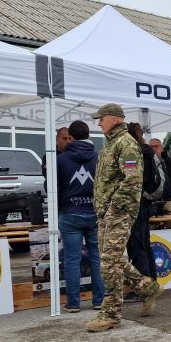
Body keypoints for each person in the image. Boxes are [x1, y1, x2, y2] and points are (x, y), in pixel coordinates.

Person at [86, 104, 163, 332]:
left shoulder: (126, 144)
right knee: (111, 259)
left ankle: (110, 314)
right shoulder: (112, 144)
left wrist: (113, 208)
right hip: (107, 212)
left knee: (109, 263)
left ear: (115, 119)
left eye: (101, 119)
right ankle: (147, 287)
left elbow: (132, 181)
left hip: (118, 212)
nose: (99, 123)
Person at [56, 120, 105, 313]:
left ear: (72, 137)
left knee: (72, 259)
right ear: (88, 135)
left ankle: (73, 303)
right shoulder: (98, 158)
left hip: (70, 213)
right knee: (97, 258)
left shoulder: (60, 159)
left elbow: (53, 188)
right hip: (94, 213)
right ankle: (99, 300)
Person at [126, 123, 162, 282]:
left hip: (136, 201)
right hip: (147, 201)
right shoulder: (148, 151)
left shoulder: (133, 153)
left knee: (137, 245)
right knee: (145, 244)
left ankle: (144, 285)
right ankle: (152, 281)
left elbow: (130, 177)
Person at [148, 138, 171, 223]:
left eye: (156, 146)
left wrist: (165, 189)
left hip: (167, 198)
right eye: (151, 147)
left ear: (161, 148)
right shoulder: (146, 162)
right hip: (151, 201)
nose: (153, 148)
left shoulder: (168, 161)